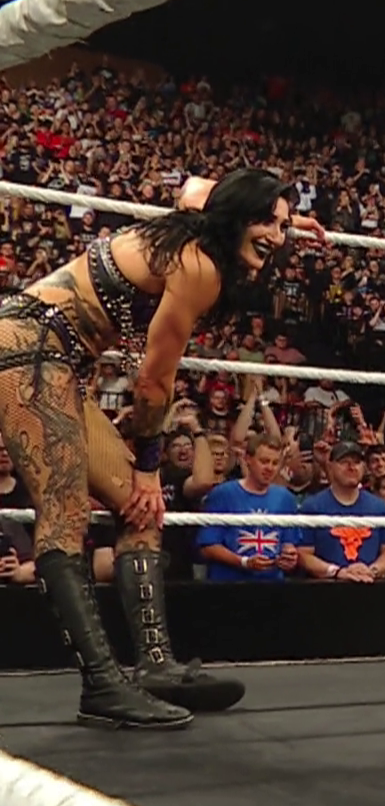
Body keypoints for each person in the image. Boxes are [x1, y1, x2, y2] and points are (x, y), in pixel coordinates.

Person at [0, 169, 321, 729]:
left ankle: (154, 666)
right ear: (236, 214)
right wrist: (149, 464)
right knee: (67, 513)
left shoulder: (200, 218)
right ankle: (102, 685)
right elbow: (152, 383)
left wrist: (279, 218)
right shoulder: (197, 266)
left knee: (142, 510)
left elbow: (197, 184)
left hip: (59, 363)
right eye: (268, 222)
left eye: (283, 226)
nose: (277, 237)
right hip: (23, 348)